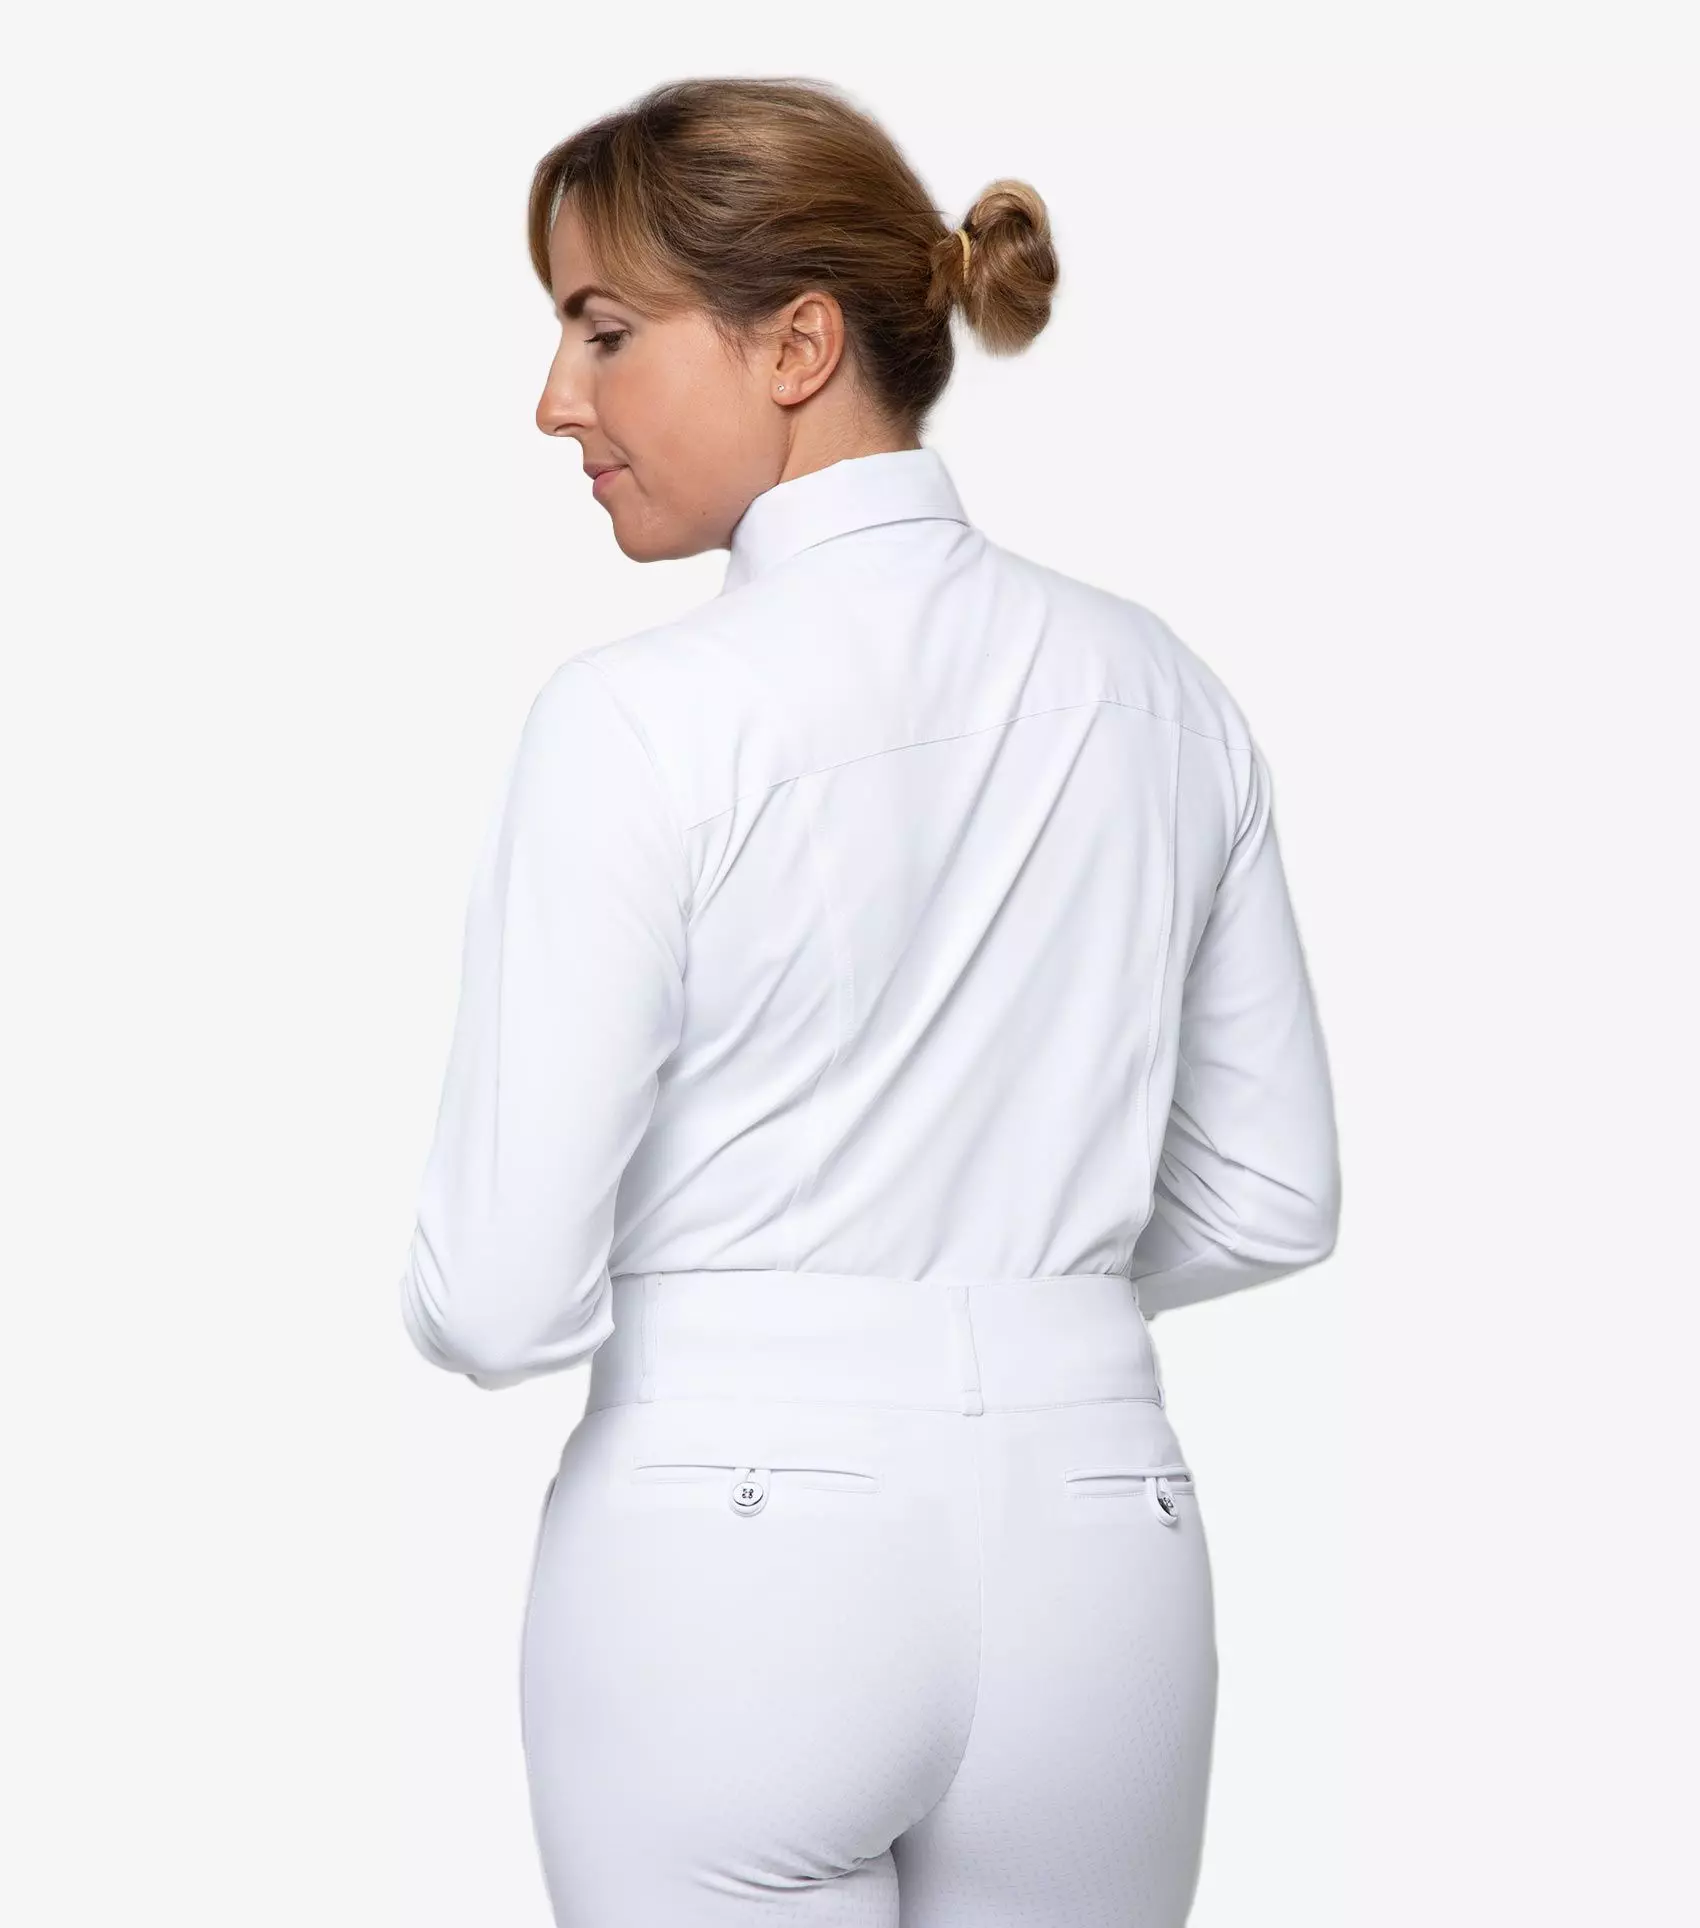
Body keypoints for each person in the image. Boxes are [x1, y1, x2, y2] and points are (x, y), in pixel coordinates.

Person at [398, 74, 1341, 1928]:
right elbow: (1272, 1196)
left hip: (726, 1558)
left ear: (799, 344)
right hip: (1102, 1541)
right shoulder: (1164, 693)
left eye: (604, 329)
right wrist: (1006, 1291)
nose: (556, 399)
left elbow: (499, 1298)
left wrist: (780, 1301)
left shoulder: (641, 723)